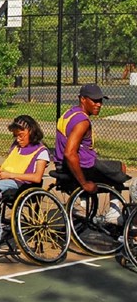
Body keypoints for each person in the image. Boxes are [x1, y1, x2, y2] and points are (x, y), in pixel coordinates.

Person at [54, 83, 135, 215]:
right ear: (83, 99)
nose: (99, 104)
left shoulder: (69, 113)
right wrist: (84, 183)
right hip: (83, 167)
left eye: (100, 101)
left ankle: (85, 201)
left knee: (109, 166)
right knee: (120, 167)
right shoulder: (82, 122)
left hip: (62, 164)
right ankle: (113, 214)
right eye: (95, 100)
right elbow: (70, 153)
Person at [0, 115, 49, 241]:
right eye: (16, 136)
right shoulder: (16, 146)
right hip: (7, 178)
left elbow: (37, 177)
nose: (18, 139)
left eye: (21, 135)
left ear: (31, 132)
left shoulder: (41, 151)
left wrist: (10, 175)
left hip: (23, 184)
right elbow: (10, 164)